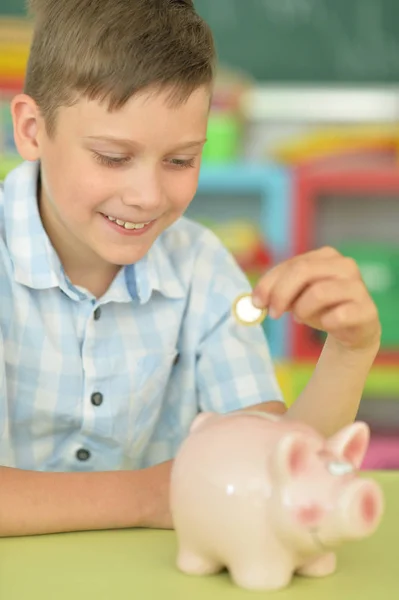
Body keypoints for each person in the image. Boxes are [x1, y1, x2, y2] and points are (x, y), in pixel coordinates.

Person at [0, 0, 380, 537]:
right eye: (112, 156)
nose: (147, 195)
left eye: (180, 161)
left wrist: (349, 350)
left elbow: (270, 474)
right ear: (33, 130)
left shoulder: (203, 268)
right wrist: (153, 495)